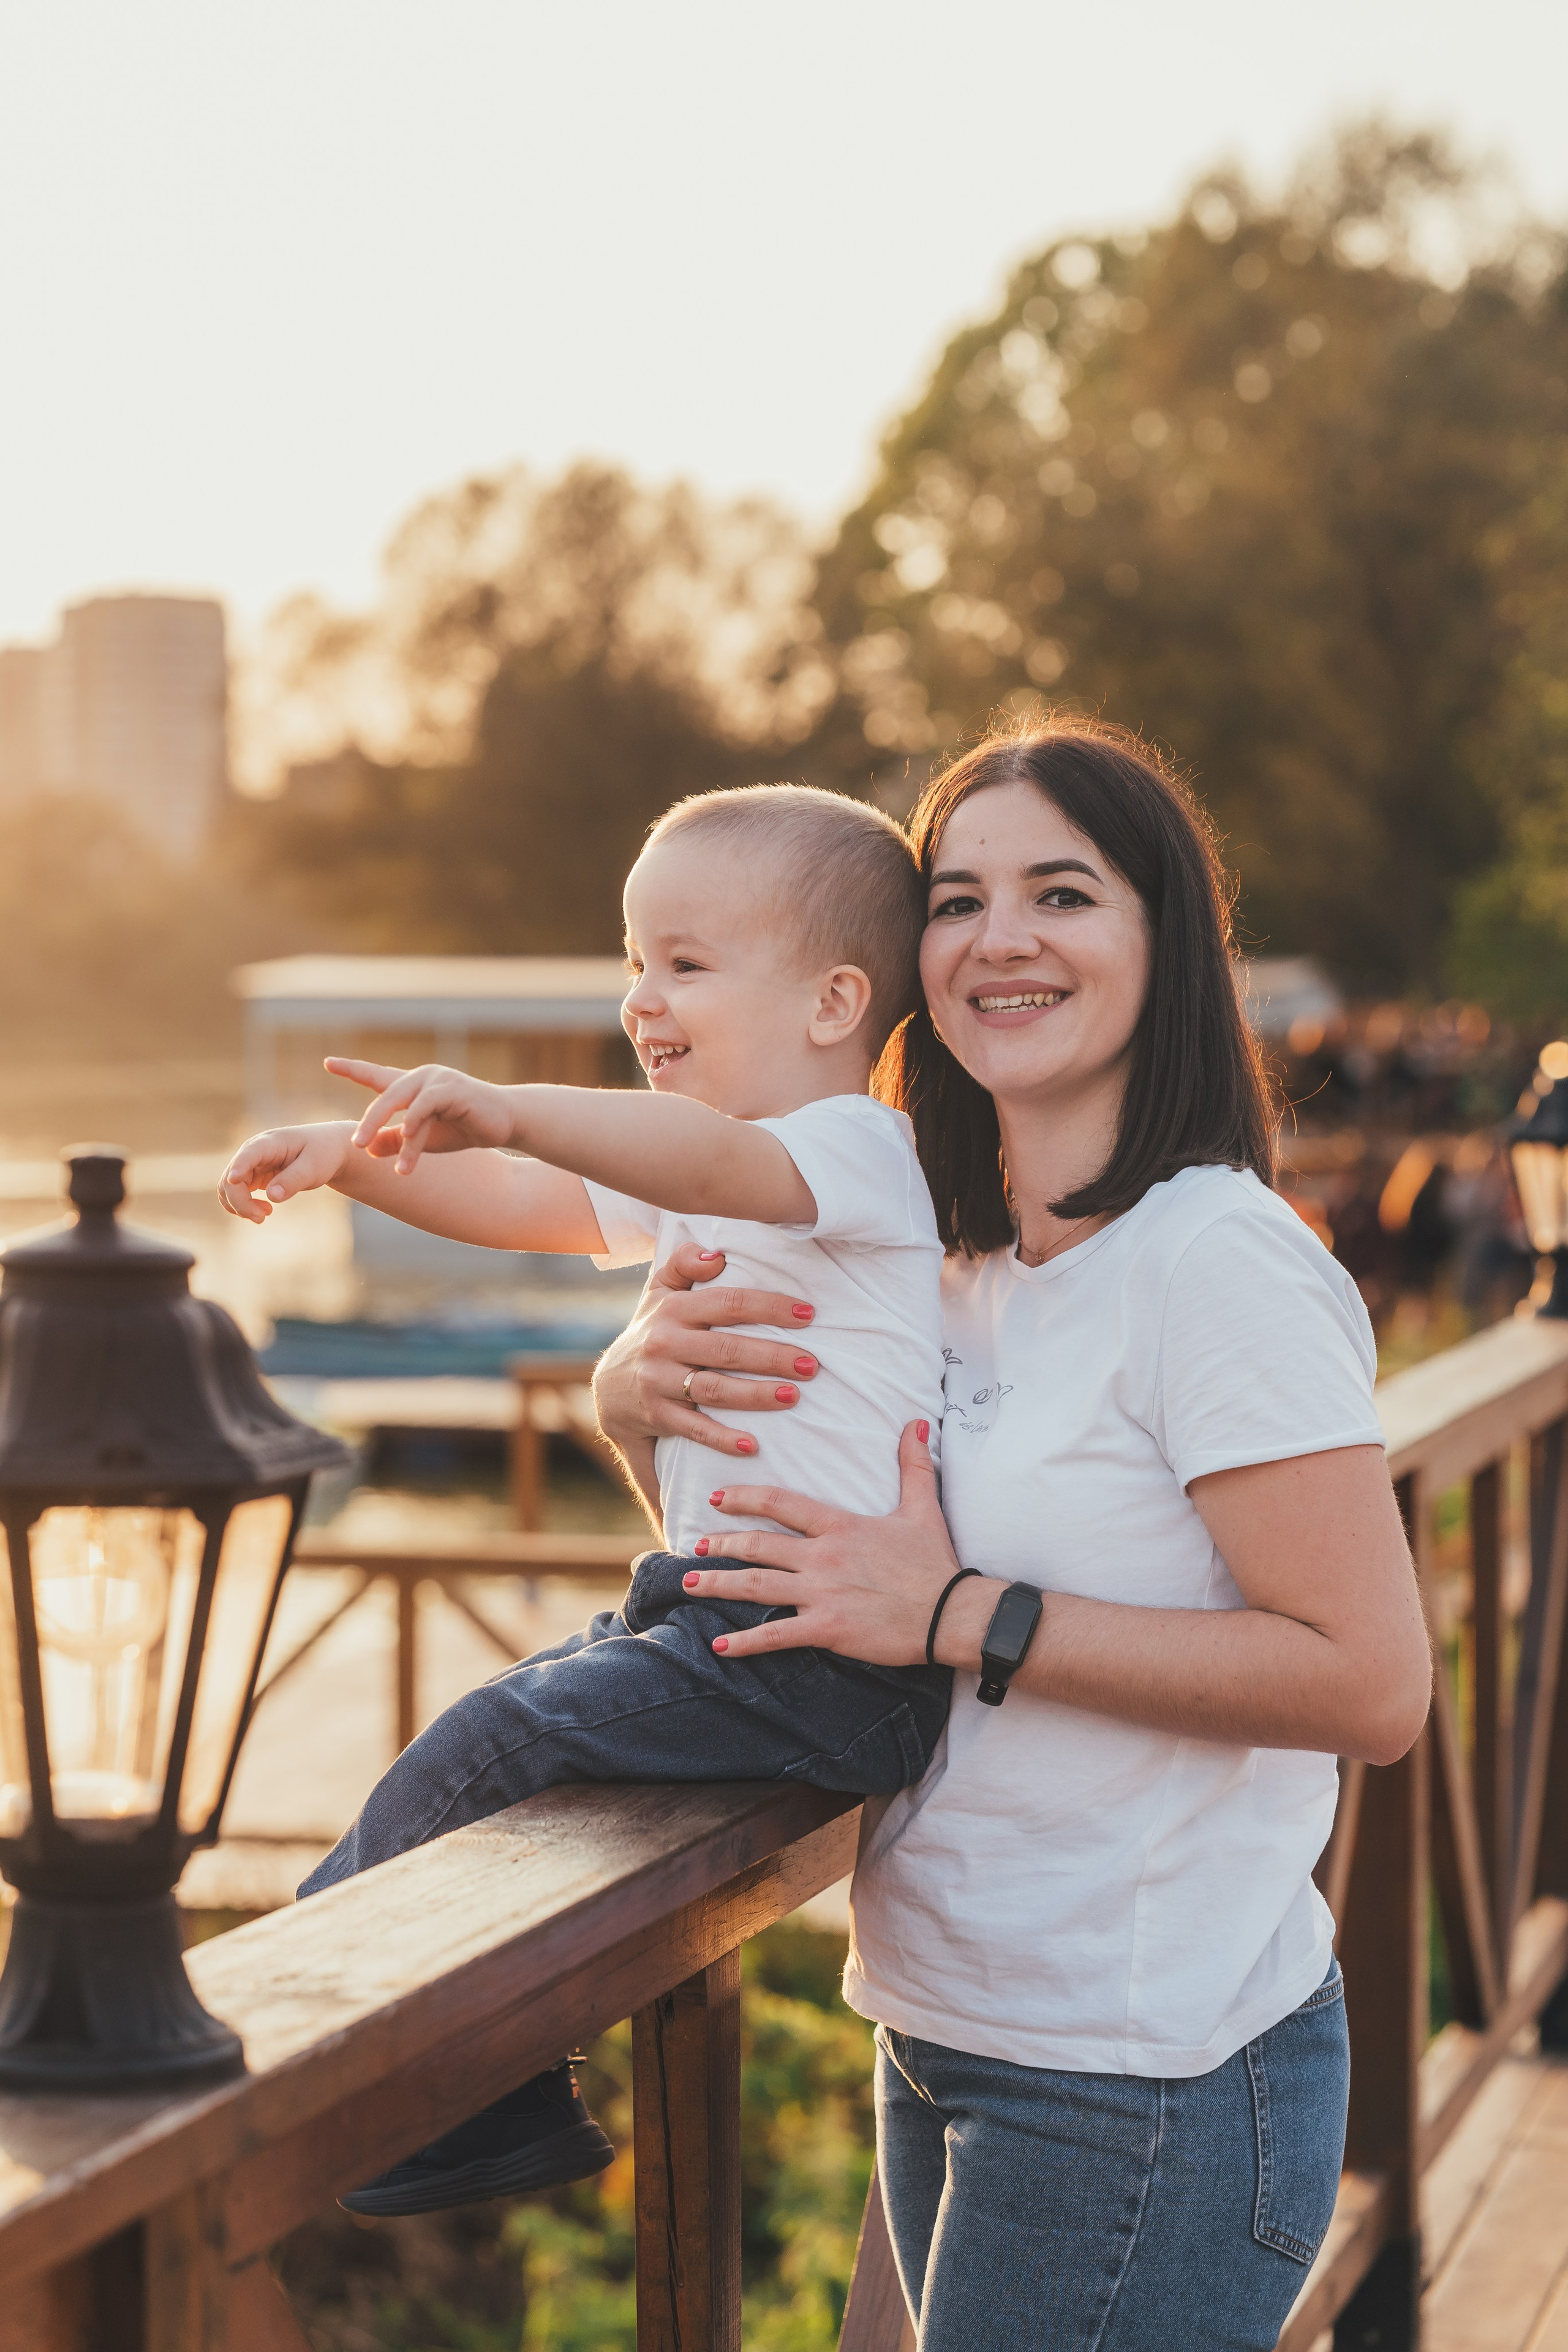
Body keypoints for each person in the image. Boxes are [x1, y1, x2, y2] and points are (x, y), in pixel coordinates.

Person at [592, 723, 1434, 2352]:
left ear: (1163, 938)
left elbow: (1372, 1684)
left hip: (1149, 2078)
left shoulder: (1217, 1263)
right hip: (945, 2024)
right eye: (959, 898)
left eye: (1063, 892)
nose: (1002, 940)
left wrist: (970, 1611)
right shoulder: (935, 1260)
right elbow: (806, 1582)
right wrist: (634, 1414)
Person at [217, 782, 951, 2215]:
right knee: (507, 1735)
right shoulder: (709, 1171)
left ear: (832, 1002)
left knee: (489, 1745)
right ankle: (472, 2082)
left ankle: (279, 2061)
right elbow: (533, 1210)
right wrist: (355, 1169)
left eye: (682, 964)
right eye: (631, 962)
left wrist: (510, 1104)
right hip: (729, 1621)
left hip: (829, 1655)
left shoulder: (846, 1153)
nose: (638, 998)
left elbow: (645, 1156)